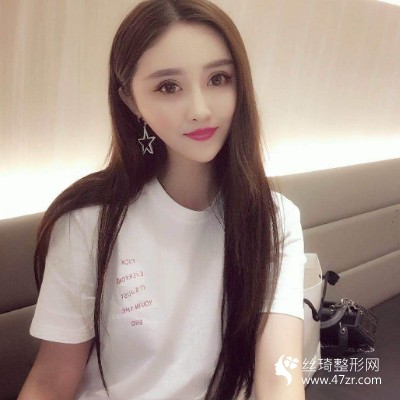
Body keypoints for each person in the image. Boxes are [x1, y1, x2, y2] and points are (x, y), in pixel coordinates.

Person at [18, 0, 306, 399]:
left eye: (218, 78)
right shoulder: (88, 221)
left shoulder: (273, 219)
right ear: (131, 100)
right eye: (169, 87)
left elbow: (280, 377)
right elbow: (51, 382)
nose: (200, 110)